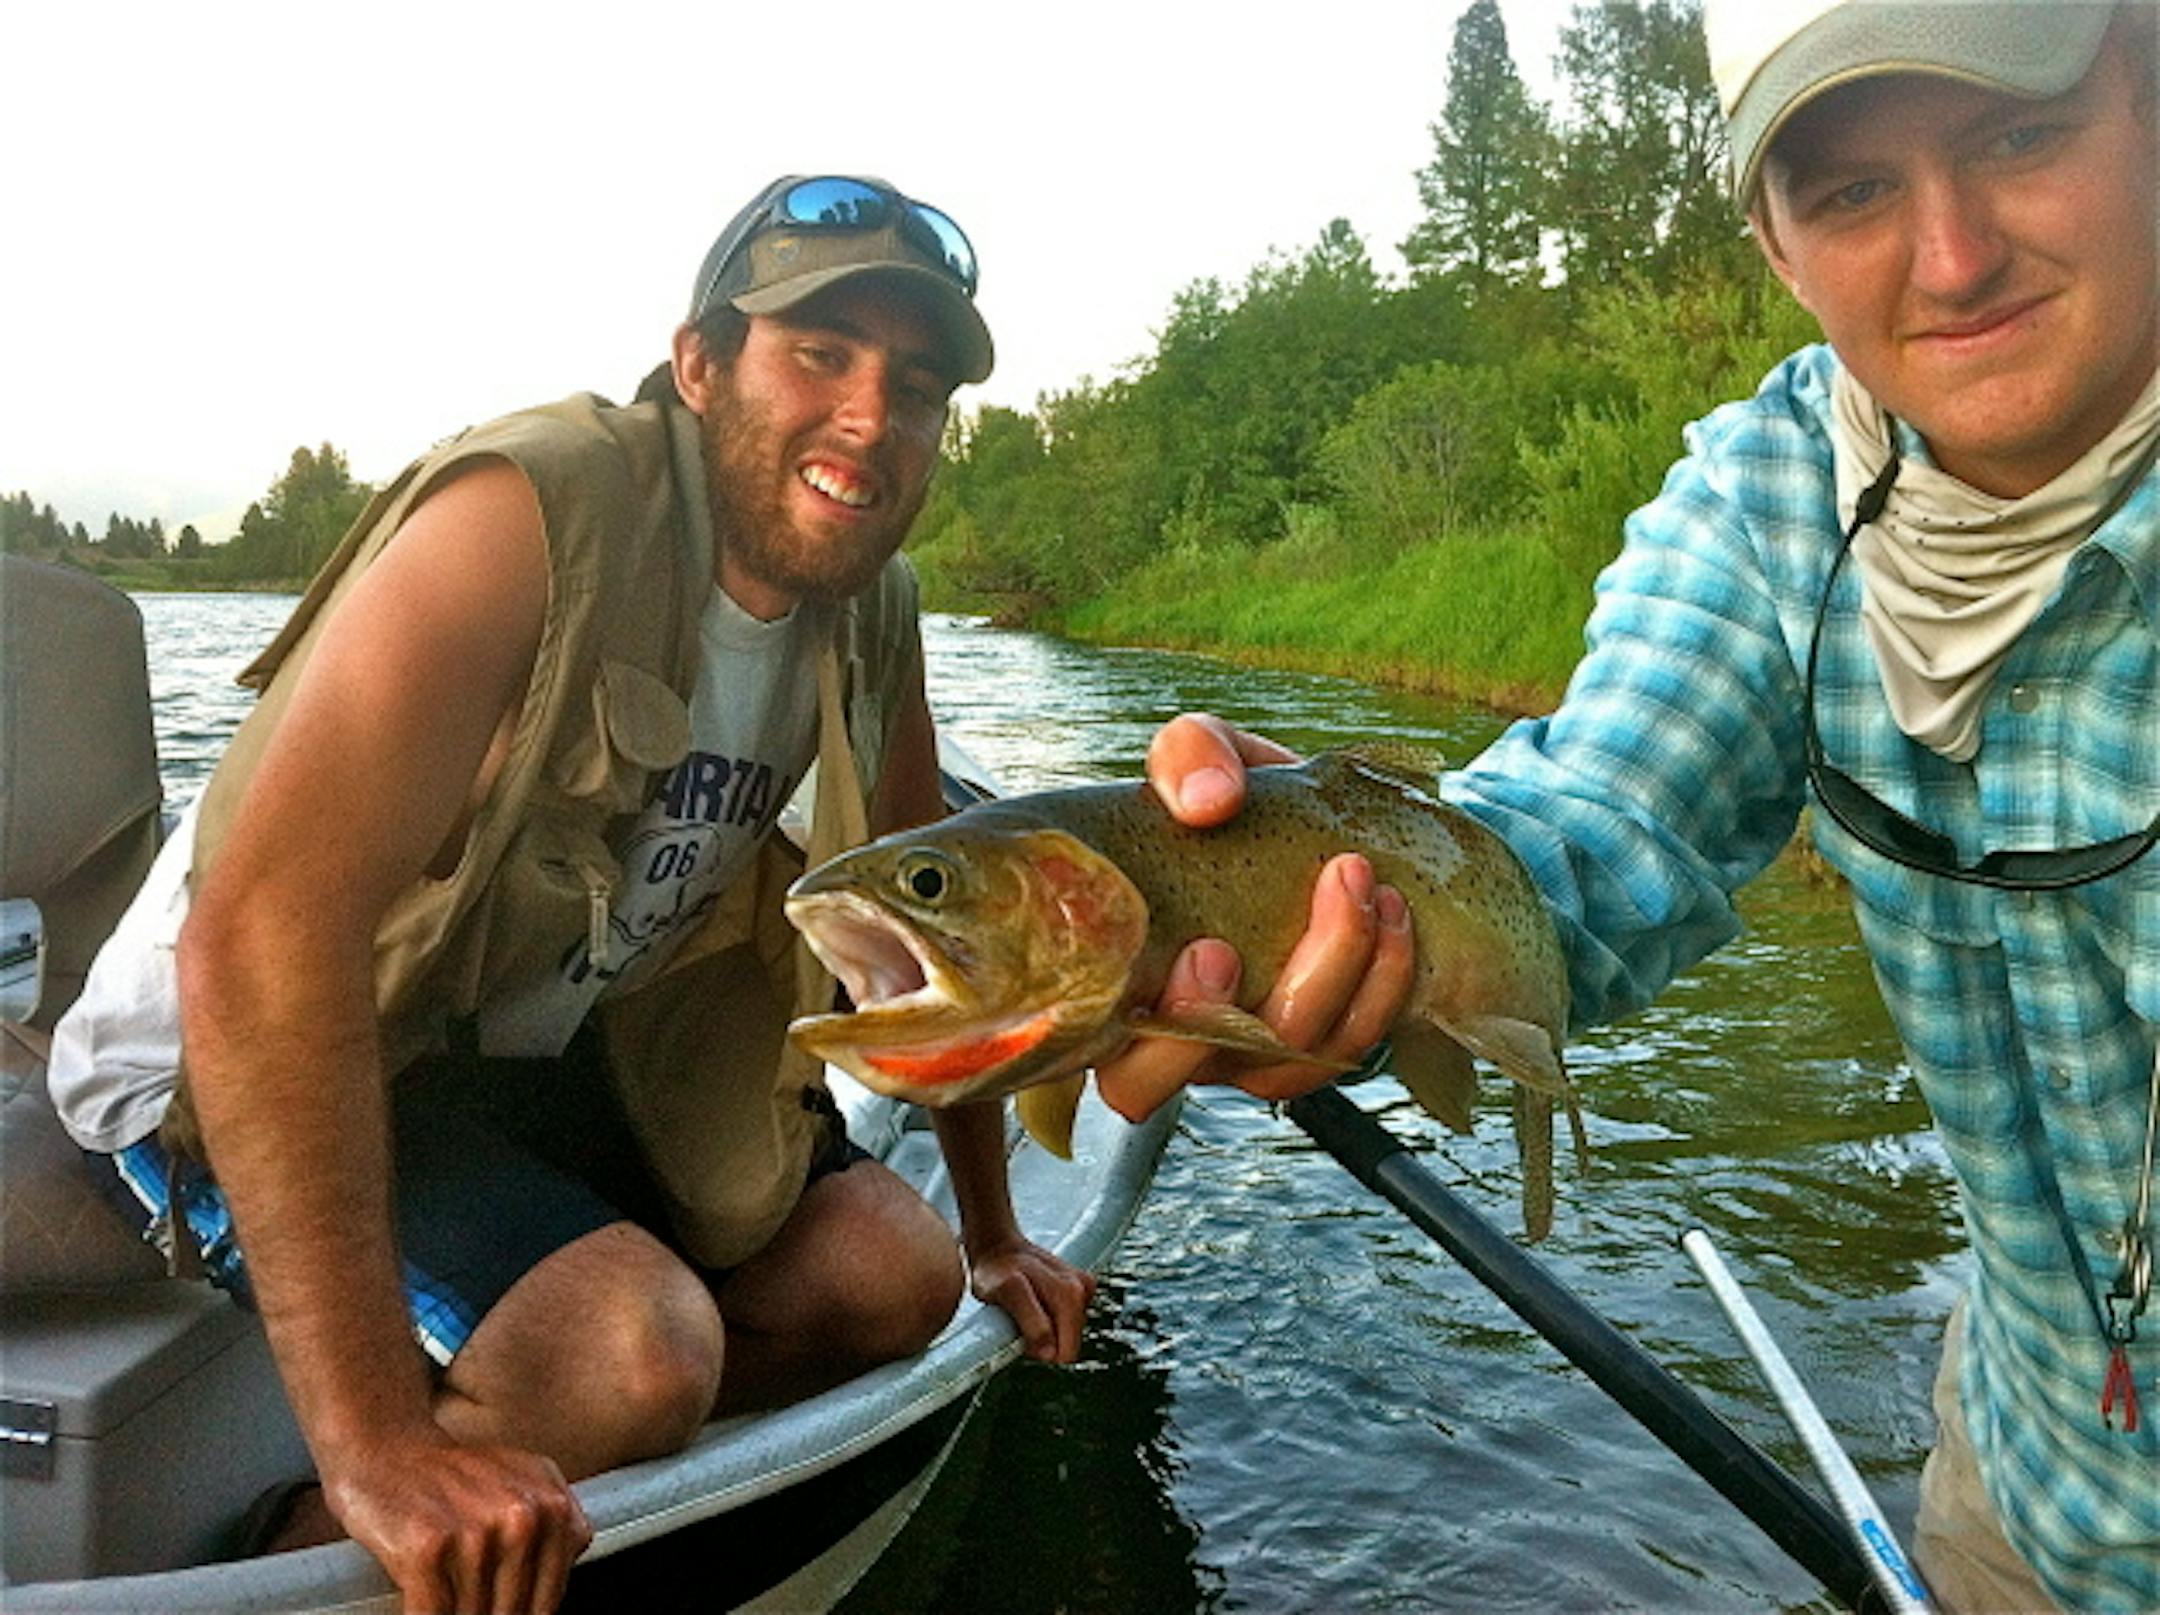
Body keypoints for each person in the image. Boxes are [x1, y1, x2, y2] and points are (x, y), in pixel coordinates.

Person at [45, 173, 1403, 1615]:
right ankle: (309, 1523)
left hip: (525, 1060)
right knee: (636, 1356)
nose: (873, 418)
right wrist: (374, 1448)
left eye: (919, 385)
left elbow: (958, 963)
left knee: (897, 1278)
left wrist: (996, 1235)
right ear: (698, 365)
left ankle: (520, 1430)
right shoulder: (523, 516)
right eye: (819, 354)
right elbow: (260, 938)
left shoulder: (872, 607)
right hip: (236, 1054)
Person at [1109, 4, 2160, 1611]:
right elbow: (1588, 841)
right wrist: (1297, 883)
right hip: (2021, 1499)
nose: (1951, 258)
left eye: (2017, 139)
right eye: (1853, 191)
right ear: (1773, 242)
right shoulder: (1775, 499)